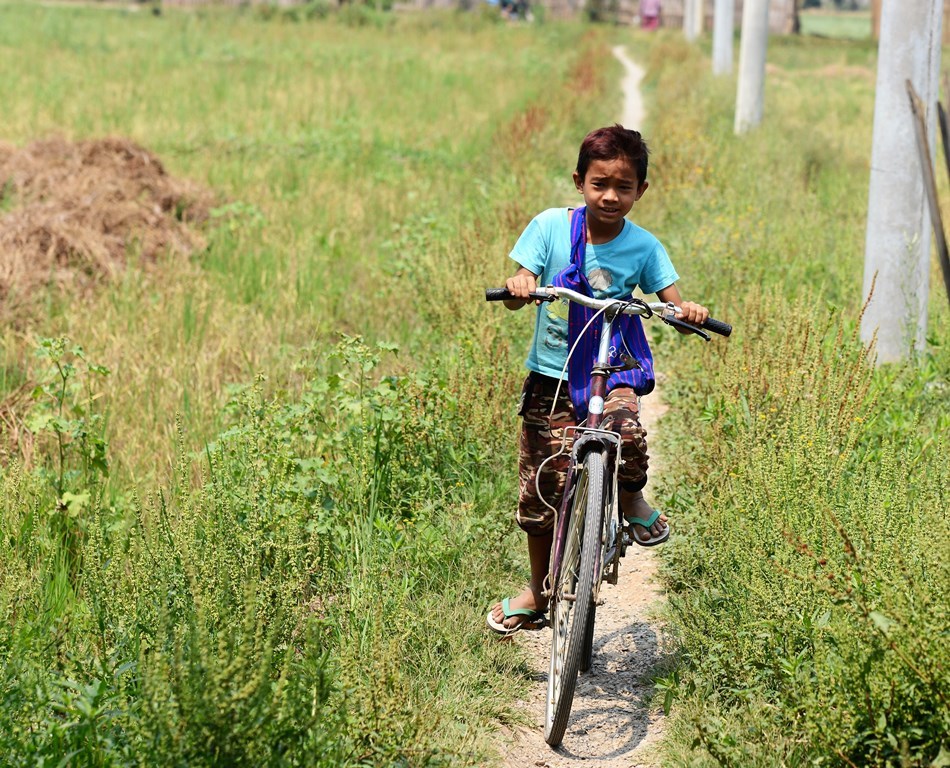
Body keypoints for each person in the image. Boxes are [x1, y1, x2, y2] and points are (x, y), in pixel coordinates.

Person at [487, 125, 708, 637]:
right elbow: (520, 289)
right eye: (599, 183)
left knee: (626, 435)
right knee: (541, 487)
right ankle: (539, 591)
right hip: (553, 376)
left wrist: (687, 310)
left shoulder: (644, 247)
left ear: (641, 191)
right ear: (579, 181)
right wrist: (521, 285)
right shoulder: (548, 228)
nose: (611, 196)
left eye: (624, 187)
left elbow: (673, 300)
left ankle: (630, 500)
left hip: (613, 373)